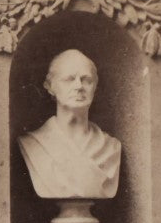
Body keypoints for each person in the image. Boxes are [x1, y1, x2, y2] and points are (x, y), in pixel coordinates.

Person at [17, 48, 121, 204]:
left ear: (95, 87)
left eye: (87, 80)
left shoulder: (112, 147)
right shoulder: (32, 144)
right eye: (69, 79)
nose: (79, 86)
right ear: (49, 86)